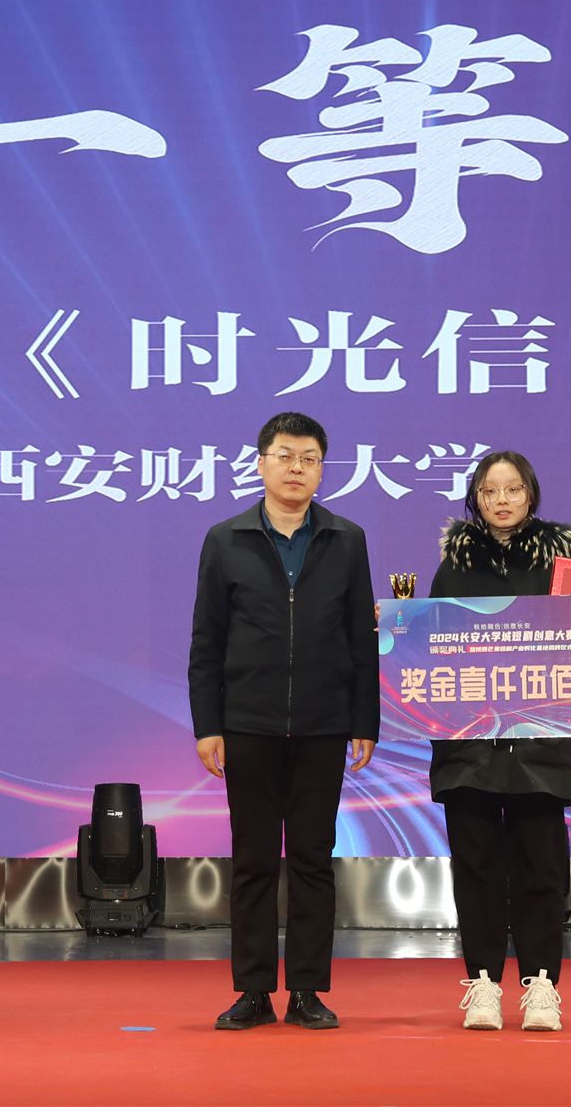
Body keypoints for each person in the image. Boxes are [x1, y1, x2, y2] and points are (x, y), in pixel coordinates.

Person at [426, 451, 571, 1033]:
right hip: (470, 743)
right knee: (476, 868)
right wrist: (397, 632)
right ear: (475, 498)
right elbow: (433, 647)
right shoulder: (454, 567)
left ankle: (542, 984)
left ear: (531, 494)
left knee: (541, 868)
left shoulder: (565, 567)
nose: (502, 500)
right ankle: (483, 984)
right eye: (490, 490)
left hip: (541, 741)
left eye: (513, 489)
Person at [189, 411, 379, 1031]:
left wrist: (364, 720)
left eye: (309, 459)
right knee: (252, 860)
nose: (297, 468)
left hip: (324, 726)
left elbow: (360, 638)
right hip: (248, 724)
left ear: (322, 470)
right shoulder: (226, 540)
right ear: (262, 463)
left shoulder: (346, 539)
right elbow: (207, 641)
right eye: (285, 456)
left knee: (312, 860)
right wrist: (207, 724)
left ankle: (306, 990)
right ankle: (252, 991)